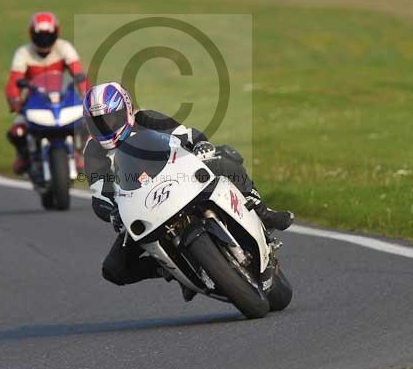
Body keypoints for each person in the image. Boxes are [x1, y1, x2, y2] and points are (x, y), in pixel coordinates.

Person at [82, 81, 294, 297]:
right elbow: (100, 193)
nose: (105, 127)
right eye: (97, 123)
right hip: (143, 207)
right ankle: (170, 269)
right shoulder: (93, 151)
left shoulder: (147, 118)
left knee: (225, 160)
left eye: (109, 119)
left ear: (125, 109)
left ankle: (262, 212)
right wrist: (111, 213)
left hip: (182, 179)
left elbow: (188, 135)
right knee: (113, 269)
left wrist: (200, 145)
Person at [5, 12, 90, 176]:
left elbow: (79, 74)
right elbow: (14, 81)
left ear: (55, 33)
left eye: (48, 35)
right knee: (17, 132)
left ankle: (79, 152)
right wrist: (14, 100)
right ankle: (24, 156)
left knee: (85, 123)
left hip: (63, 98)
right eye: (40, 35)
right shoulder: (23, 53)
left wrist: (86, 95)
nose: (44, 40)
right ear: (32, 34)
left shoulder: (64, 48)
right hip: (34, 101)